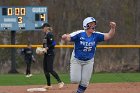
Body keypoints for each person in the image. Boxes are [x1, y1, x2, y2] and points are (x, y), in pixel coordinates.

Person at [61, 17, 116, 93]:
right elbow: (69, 37)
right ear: (85, 25)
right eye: (91, 24)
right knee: (75, 80)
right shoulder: (80, 33)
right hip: (77, 60)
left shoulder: (96, 35)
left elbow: (109, 35)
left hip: (89, 61)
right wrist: (65, 37)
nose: (93, 26)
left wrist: (113, 28)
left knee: (85, 82)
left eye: (94, 24)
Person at [41, 23, 64, 89]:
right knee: (45, 70)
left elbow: (54, 43)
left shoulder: (49, 34)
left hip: (50, 54)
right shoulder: (45, 35)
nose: (42, 29)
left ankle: (60, 82)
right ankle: (49, 85)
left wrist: (47, 48)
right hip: (46, 54)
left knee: (50, 69)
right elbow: (45, 45)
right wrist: (42, 50)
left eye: (43, 27)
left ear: (46, 27)